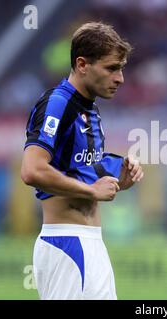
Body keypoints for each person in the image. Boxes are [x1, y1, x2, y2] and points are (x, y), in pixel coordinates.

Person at [21, 21, 143, 300]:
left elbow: (80, 170)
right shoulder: (58, 103)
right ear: (82, 64)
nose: (120, 78)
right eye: (112, 68)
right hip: (67, 244)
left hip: (90, 244)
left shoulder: (91, 110)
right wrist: (91, 191)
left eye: (121, 68)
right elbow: (32, 169)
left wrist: (120, 175)